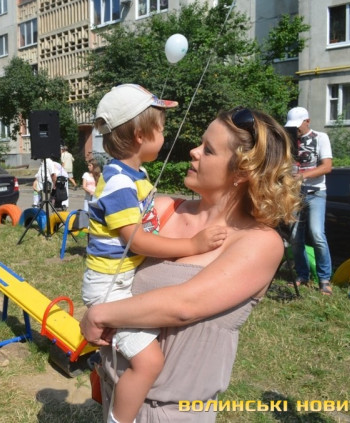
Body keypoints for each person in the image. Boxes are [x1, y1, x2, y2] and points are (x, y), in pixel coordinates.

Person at [82, 106, 301, 423]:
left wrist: (99, 314)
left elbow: (184, 305)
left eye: (208, 150)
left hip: (173, 413)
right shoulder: (162, 209)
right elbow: (106, 258)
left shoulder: (260, 242)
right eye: (200, 143)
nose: (194, 151)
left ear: (242, 172)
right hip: (116, 392)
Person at [84, 84, 228, 423]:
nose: (165, 136)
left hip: (118, 281)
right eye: (161, 129)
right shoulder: (119, 182)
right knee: (149, 363)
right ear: (140, 135)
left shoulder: (135, 174)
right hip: (110, 287)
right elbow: (136, 240)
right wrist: (193, 246)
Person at [285, 106, 333, 295]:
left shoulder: (321, 137)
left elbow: (327, 166)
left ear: (308, 121)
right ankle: (302, 275)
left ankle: (324, 279)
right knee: (295, 237)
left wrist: (302, 176)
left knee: (317, 234)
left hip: (316, 193)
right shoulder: (289, 140)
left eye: (298, 126)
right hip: (294, 194)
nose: (295, 129)